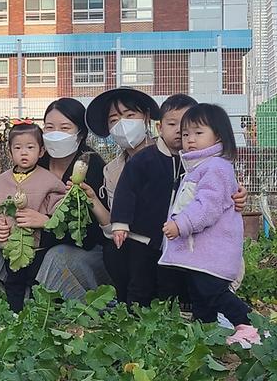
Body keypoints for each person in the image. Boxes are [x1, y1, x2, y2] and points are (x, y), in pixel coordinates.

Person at [0, 98, 112, 301]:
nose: (56, 134)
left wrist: (47, 222)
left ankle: (64, 301)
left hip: (78, 248)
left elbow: (88, 235)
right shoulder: (34, 160)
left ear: (80, 134)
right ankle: (23, 297)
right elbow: (5, 200)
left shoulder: (90, 167)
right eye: (49, 127)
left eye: (65, 128)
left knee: (55, 257)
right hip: (33, 242)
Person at [159, 104, 261, 347]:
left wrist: (180, 224)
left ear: (219, 135)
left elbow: (207, 207)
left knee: (211, 291)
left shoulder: (215, 167)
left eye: (198, 133)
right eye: (185, 134)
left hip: (212, 253)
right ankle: (206, 333)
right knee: (200, 294)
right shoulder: (200, 167)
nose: (190, 140)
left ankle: (247, 324)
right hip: (202, 255)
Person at [0, 121, 66, 312]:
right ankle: (14, 314)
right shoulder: (1, 181)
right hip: (11, 245)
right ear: (10, 152)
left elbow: (58, 206)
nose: (24, 153)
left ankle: (36, 315)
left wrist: (47, 219)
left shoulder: (49, 180)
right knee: (14, 280)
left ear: (41, 152)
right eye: (18, 148)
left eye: (30, 147)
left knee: (36, 280)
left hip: (37, 245)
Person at [109, 93, 199, 306]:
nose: (179, 130)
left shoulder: (199, 163)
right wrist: (120, 223)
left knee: (175, 279)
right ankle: (135, 314)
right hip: (144, 237)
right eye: (172, 123)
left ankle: (177, 311)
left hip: (181, 237)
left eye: (187, 125)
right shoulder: (144, 159)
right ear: (159, 127)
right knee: (141, 280)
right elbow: (126, 190)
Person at [84, 86, 162, 304]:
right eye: (114, 120)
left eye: (130, 116)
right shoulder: (112, 170)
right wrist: (92, 200)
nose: (122, 125)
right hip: (133, 246)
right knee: (114, 251)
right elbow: (115, 224)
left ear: (146, 117)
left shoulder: (170, 156)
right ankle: (130, 306)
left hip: (168, 240)